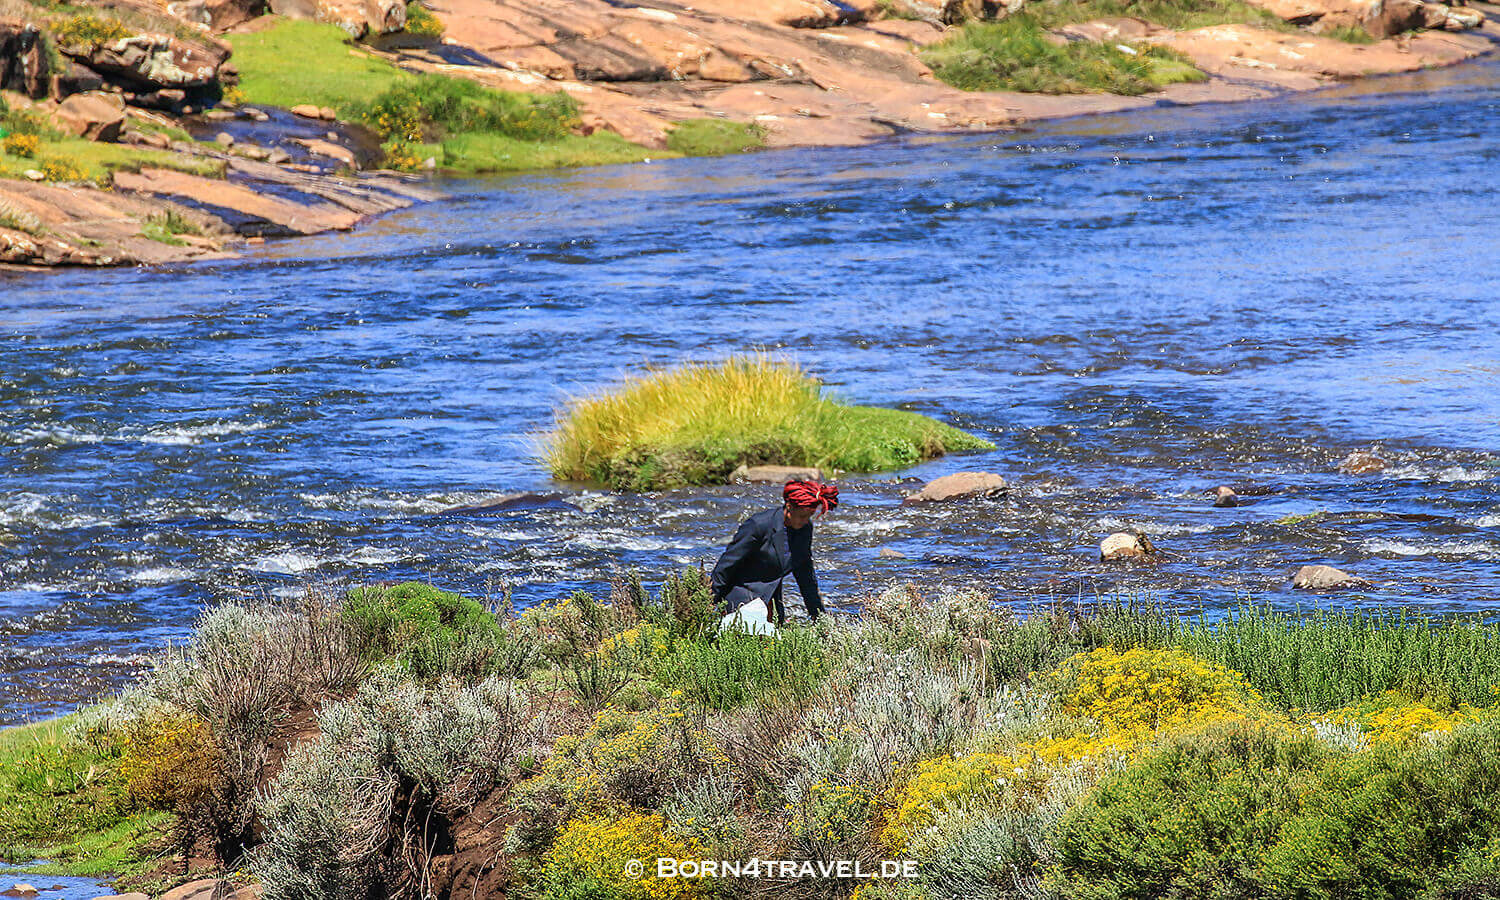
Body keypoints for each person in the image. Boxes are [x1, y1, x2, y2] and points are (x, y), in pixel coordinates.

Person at [711, 479, 837, 629]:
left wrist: (819, 619)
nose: (806, 521)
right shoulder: (758, 525)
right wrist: (705, 606)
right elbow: (726, 566)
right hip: (741, 601)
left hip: (771, 602)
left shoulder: (804, 529)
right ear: (789, 506)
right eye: (803, 516)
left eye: (809, 516)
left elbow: (805, 575)